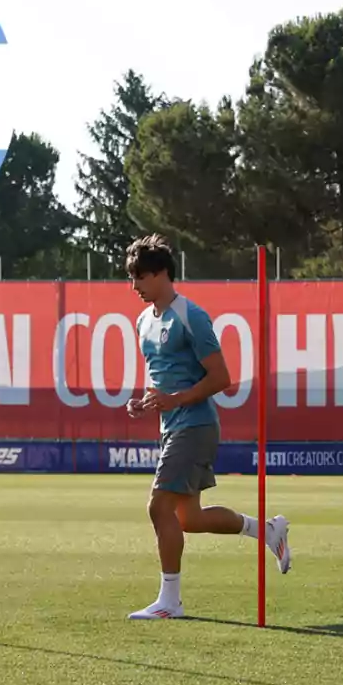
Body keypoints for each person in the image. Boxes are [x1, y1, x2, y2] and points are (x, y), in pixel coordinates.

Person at [123, 233, 290, 621]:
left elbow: (221, 377)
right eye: (131, 278)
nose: (134, 287)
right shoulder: (142, 321)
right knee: (188, 519)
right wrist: (147, 401)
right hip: (171, 426)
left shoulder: (191, 316)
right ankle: (266, 530)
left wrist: (176, 399)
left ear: (162, 273)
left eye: (141, 277)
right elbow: (161, 377)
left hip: (195, 425)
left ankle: (170, 602)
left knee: (158, 506)